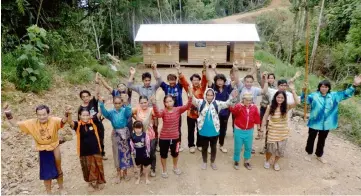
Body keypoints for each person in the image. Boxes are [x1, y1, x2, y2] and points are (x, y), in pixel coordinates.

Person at [3, 104, 67, 195]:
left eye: (44, 114)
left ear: (48, 114)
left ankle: (61, 188)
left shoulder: (54, 120)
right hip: (42, 149)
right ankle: (49, 192)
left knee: (58, 168)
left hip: (54, 146)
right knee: (46, 173)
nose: (42, 117)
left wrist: (67, 113)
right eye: (39, 115)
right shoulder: (32, 123)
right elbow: (15, 123)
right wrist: (7, 112)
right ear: (36, 115)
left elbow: (63, 121)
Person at [302, 75, 361, 163]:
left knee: (322, 140)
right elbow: (304, 100)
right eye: (322, 86)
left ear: (328, 88)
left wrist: (354, 85)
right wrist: (303, 91)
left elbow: (346, 94)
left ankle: (319, 155)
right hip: (314, 122)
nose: (324, 88)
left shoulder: (334, 96)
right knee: (311, 138)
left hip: (327, 124)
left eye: (326, 87)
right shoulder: (314, 96)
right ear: (319, 87)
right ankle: (309, 153)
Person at [192, 88, 239, 170]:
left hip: (215, 131)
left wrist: (232, 97)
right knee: (204, 147)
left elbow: (227, 103)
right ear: (205, 95)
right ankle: (204, 162)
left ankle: (212, 162)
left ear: (214, 95)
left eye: (211, 95)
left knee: (213, 147)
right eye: (208, 95)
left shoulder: (217, 103)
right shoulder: (200, 102)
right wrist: (189, 91)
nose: (209, 97)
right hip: (203, 130)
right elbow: (192, 99)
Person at [150, 89, 192, 178]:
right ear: (164, 103)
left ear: (173, 101)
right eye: (167, 102)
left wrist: (190, 95)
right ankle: (164, 170)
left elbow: (188, 106)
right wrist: (153, 103)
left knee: (175, 153)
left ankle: (175, 167)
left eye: (170, 101)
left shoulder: (178, 109)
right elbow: (157, 114)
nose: (169, 103)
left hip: (175, 137)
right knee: (163, 155)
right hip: (164, 138)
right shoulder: (163, 111)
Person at [261, 82, 299, 171]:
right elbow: (265, 117)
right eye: (278, 97)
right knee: (270, 149)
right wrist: (261, 129)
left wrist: (293, 90)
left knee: (280, 150)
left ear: (284, 99)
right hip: (272, 131)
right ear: (275, 98)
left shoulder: (287, 106)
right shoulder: (270, 107)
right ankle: (267, 161)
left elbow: (297, 102)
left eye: (282, 98)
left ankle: (275, 162)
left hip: (283, 132)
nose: (280, 99)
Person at [67, 107, 106, 192]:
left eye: (87, 115)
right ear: (80, 116)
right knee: (86, 168)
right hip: (84, 152)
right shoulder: (78, 125)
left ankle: (100, 182)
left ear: (90, 115)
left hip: (96, 149)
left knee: (98, 166)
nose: (85, 117)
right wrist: (69, 113)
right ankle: (90, 183)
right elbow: (70, 122)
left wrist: (101, 104)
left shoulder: (93, 122)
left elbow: (99, 113)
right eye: (83, 115)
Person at [206, 62, 242, 153]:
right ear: (216, 81)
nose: (220, 82)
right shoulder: (212, 87)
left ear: (224, 81)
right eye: (218, 80)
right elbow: (208, 78)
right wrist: (207, 67)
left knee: (223, 130)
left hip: (225, 113)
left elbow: (237, 80)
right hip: (214, 113)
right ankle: (211, 146)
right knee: (213, 129)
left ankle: (221, 145)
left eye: (221, 80)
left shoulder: (227, 87)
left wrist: (236, 69)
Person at [128, 62, 162, 151]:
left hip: (153, 112)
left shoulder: (154, 87)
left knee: (154, 128)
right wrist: (132, 74)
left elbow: (160, 81)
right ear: (143, 80)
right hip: (142, 111)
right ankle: (143, 143)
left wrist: (154, 69)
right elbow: (129, 85)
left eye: (148, 80)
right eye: (145, 80)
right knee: (143, 128)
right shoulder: (139, 88)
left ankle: (155, 144)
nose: (147, 82)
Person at [99, 94, 133, 183]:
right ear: (113, 103)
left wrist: (127, 102)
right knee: (116, 153)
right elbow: (105, 113)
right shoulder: (111, 113)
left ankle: (125, 173)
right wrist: (101, 104)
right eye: (115, 103)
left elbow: (129, 113)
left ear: (122, 103)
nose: (117, 105)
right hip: (115, 134)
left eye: (119, 103)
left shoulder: (125, 110)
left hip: (124, 133)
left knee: (125, 152)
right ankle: (118, 174)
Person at [178, 60, 208, 153]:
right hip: (190, 113)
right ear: (191, 81)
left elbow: (205, 78)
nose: (195, 81)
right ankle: (191, 145)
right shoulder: (188, 88)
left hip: (200, 113)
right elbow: (183, 80)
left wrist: (205, 67)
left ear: (199, 81)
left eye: (197, 80)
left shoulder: (202, 87)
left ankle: (199, 144)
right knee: (190, 130)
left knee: (200, 129)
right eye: (193, 80)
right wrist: (179, 71)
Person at [78, 73, 107, 160]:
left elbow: (97, 92)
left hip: (98, 124)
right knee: (92, 140)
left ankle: (102, 153)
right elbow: (79, 120)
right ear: (81, 98)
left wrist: (97, 82)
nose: (86, 98)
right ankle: (93, 154)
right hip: (89, 127)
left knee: (101, 138)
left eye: (87, 96)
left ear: (90, 97)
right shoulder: (80, 108)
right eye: (83, 97)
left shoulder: (93, 102)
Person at [159, 62, 187, 152]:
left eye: (173, 80)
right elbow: (159, 79)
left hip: (177, 112)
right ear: (168, 81)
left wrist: (178, 70)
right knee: (167, 128)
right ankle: (168, 144)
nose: (171, 81)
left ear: (175, 80)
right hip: (167, 112)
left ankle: (178, 145)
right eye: (170, 80)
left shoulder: (179, 86)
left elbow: (181, 79)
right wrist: (154, 68)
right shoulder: (166, 87)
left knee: (177, 128)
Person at [230, 92, 261, 170]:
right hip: (239, 130)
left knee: (248, 147)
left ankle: (246, 161)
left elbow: (257, 118)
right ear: (243, 99)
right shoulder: (239, 106)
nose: (248, 102)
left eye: (250, 100)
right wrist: (233, 100)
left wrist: (259, 129)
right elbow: (233, 111)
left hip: (249, 131)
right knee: (238, 147)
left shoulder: (254, 107)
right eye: (246, 100)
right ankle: (236, 161)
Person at [132, 96, 157, 177]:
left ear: (148, 102)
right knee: (141, 152)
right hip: (140, 135)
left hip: (150, 134)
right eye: (141, 103)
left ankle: (153, 168)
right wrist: (136, 119)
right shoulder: (137, 109)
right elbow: (130, 113)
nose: (143, 104)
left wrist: (155, 124)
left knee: (151, 152)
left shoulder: (151, 110)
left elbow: (157, 116)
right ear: (139, 103)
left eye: (145, 102)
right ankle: (141, 169)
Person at [130, 121, 151, 185]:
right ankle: (138, 178)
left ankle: (146, 178)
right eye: (136, 128)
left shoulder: (145, 135)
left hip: (144, 153)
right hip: (137, 154)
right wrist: (132, 152)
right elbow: (131, 145)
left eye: (139, 128)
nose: (138, 130)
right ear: (134, 128)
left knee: (145, 166)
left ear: (142, 128)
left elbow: (148, 144)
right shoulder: (132, 136)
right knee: (138, 167)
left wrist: (148, 152)